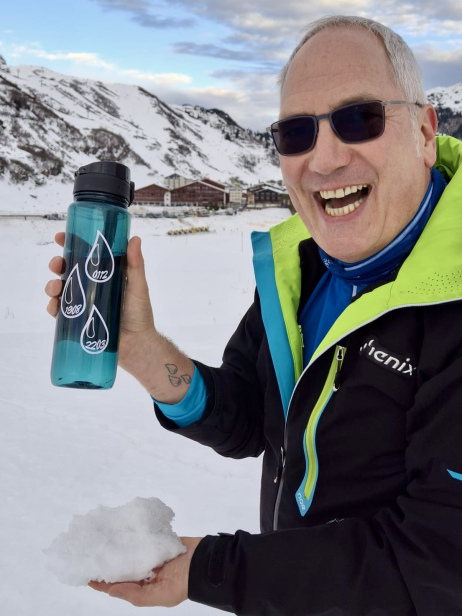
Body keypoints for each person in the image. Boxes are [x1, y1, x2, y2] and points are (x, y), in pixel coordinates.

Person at [45, 14, 462, 616]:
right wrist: (140, 347)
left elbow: (436, 566)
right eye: (296, 133)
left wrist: (212, 570)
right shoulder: (305, 267)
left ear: (424, 131)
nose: (324, 159)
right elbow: (251, 416)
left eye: (360, 118)